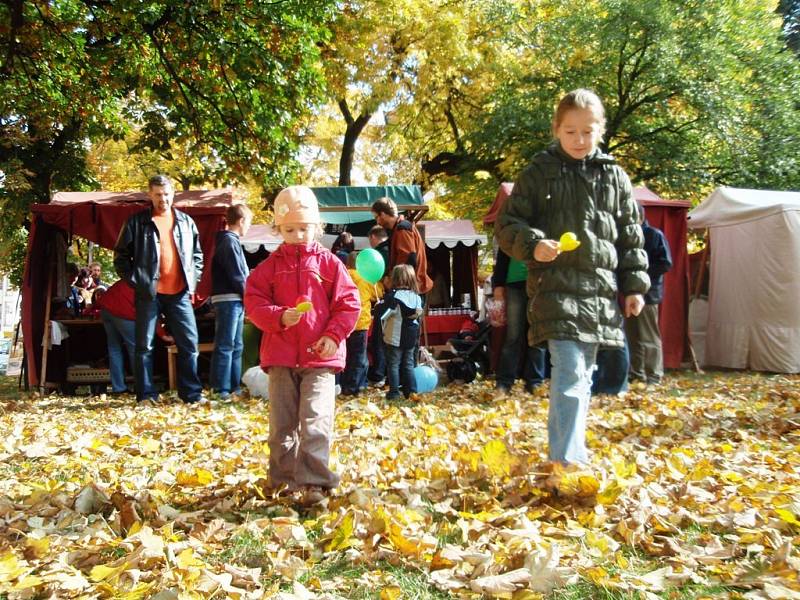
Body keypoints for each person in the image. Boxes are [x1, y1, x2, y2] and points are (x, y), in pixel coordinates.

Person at [496, 88, 650, 466]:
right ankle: (565, 463)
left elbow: (631, 235)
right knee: (569, 374)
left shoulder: (614, 176)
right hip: (555, 292)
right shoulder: (539, 172)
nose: (579, 140)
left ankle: (573, 455)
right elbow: (507, 223)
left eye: (587, 131)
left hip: (599, 294)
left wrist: (634, 285)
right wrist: (534, 244)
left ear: (601, 130)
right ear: (556, 129)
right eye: (570, 132)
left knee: (584, 378)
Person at [244, 185, 360, 504]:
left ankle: (314, 482)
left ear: (317, 228)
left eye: (304, 228)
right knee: (282, 423)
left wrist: (332, 336)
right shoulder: (269, 267)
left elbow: (349, 303)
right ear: (278, 229)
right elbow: (253, 302)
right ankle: (283, 479)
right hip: (281, 358)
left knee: (316, 418)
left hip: (320, 358)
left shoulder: (330, 264)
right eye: (290, 229)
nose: (297, 235)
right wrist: (280, 317)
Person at [113, 174, 205, 405]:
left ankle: (191, 395)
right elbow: (120, 258)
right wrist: (138, 282)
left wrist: (193, 280)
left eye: (166, 194)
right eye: (157, 195)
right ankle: (145, 395)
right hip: (149, 293)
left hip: (179, 293)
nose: (162, 199)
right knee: (144, 346)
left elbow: (197, 256)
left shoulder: (186, 222)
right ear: (149, 195)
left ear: (173, 194)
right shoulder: (136, 221)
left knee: (189, 344)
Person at [210, 203, 253, 399]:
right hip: (229, 299)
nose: (249, 228)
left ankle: (234, 385)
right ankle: (221, 388)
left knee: (236, 345)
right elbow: (237, 275)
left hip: (234, 299)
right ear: (241, 220)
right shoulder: (229, 242)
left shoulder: (229, 241)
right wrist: (250, 298)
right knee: (227, 344)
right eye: (249, 222)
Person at [625, 212, 672, 385]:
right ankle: (637, 373)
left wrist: (641, 276)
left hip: (649, 293)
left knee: (648, 336)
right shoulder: (628, 236)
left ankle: (654, 375)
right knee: (633, 335)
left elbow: (665, 262)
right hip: (629, 291)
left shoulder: (654, 234)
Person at [492, 248, 547, 397]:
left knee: (537, 335)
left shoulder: (544, 225)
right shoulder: (514, 226)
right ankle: (504, 382)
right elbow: (503, 252)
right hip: (514, 283)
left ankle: (535, 382)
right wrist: (498, 285)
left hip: (539, 283)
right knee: (513, 336)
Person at [377, 264, 423, 400]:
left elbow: (384, 316)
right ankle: (412, 391)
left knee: (393, 364)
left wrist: (379, 307)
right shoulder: (417, 297)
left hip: (395, 336)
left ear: (395, 279)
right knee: (408, 363)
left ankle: (394, 392)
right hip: (410, 336)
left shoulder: (393, 297)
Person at [371, 197, 433, 295]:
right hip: (410, 288)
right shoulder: (399, 228)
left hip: (410, 289)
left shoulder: (402, 229)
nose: (377, 222)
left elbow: (409, 258)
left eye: (376, 217)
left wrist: (393, 280)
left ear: (382, 214)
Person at [341, 251, 383, 396]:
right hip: (360, 323)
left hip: (343, 323)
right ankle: (354, 387)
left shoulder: (342, 276)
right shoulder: (365, 278)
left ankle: (344, 383)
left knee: (345, 355)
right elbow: (379, 293)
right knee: (359, 356)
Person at [95, 280, 136, 395]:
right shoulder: (141, 283)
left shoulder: (122, 283)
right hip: (123, 312)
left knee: (114, 349)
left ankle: (118, 388)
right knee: (134, 348)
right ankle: (141, 385)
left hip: (106, 310)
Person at [367, 225, 390, 386]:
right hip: (397, 300)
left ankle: (379, 374)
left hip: (384, 300)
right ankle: (391, 374)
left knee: (379, 339)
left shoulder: (378, 253)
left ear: (373, 238)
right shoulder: (394, 248)